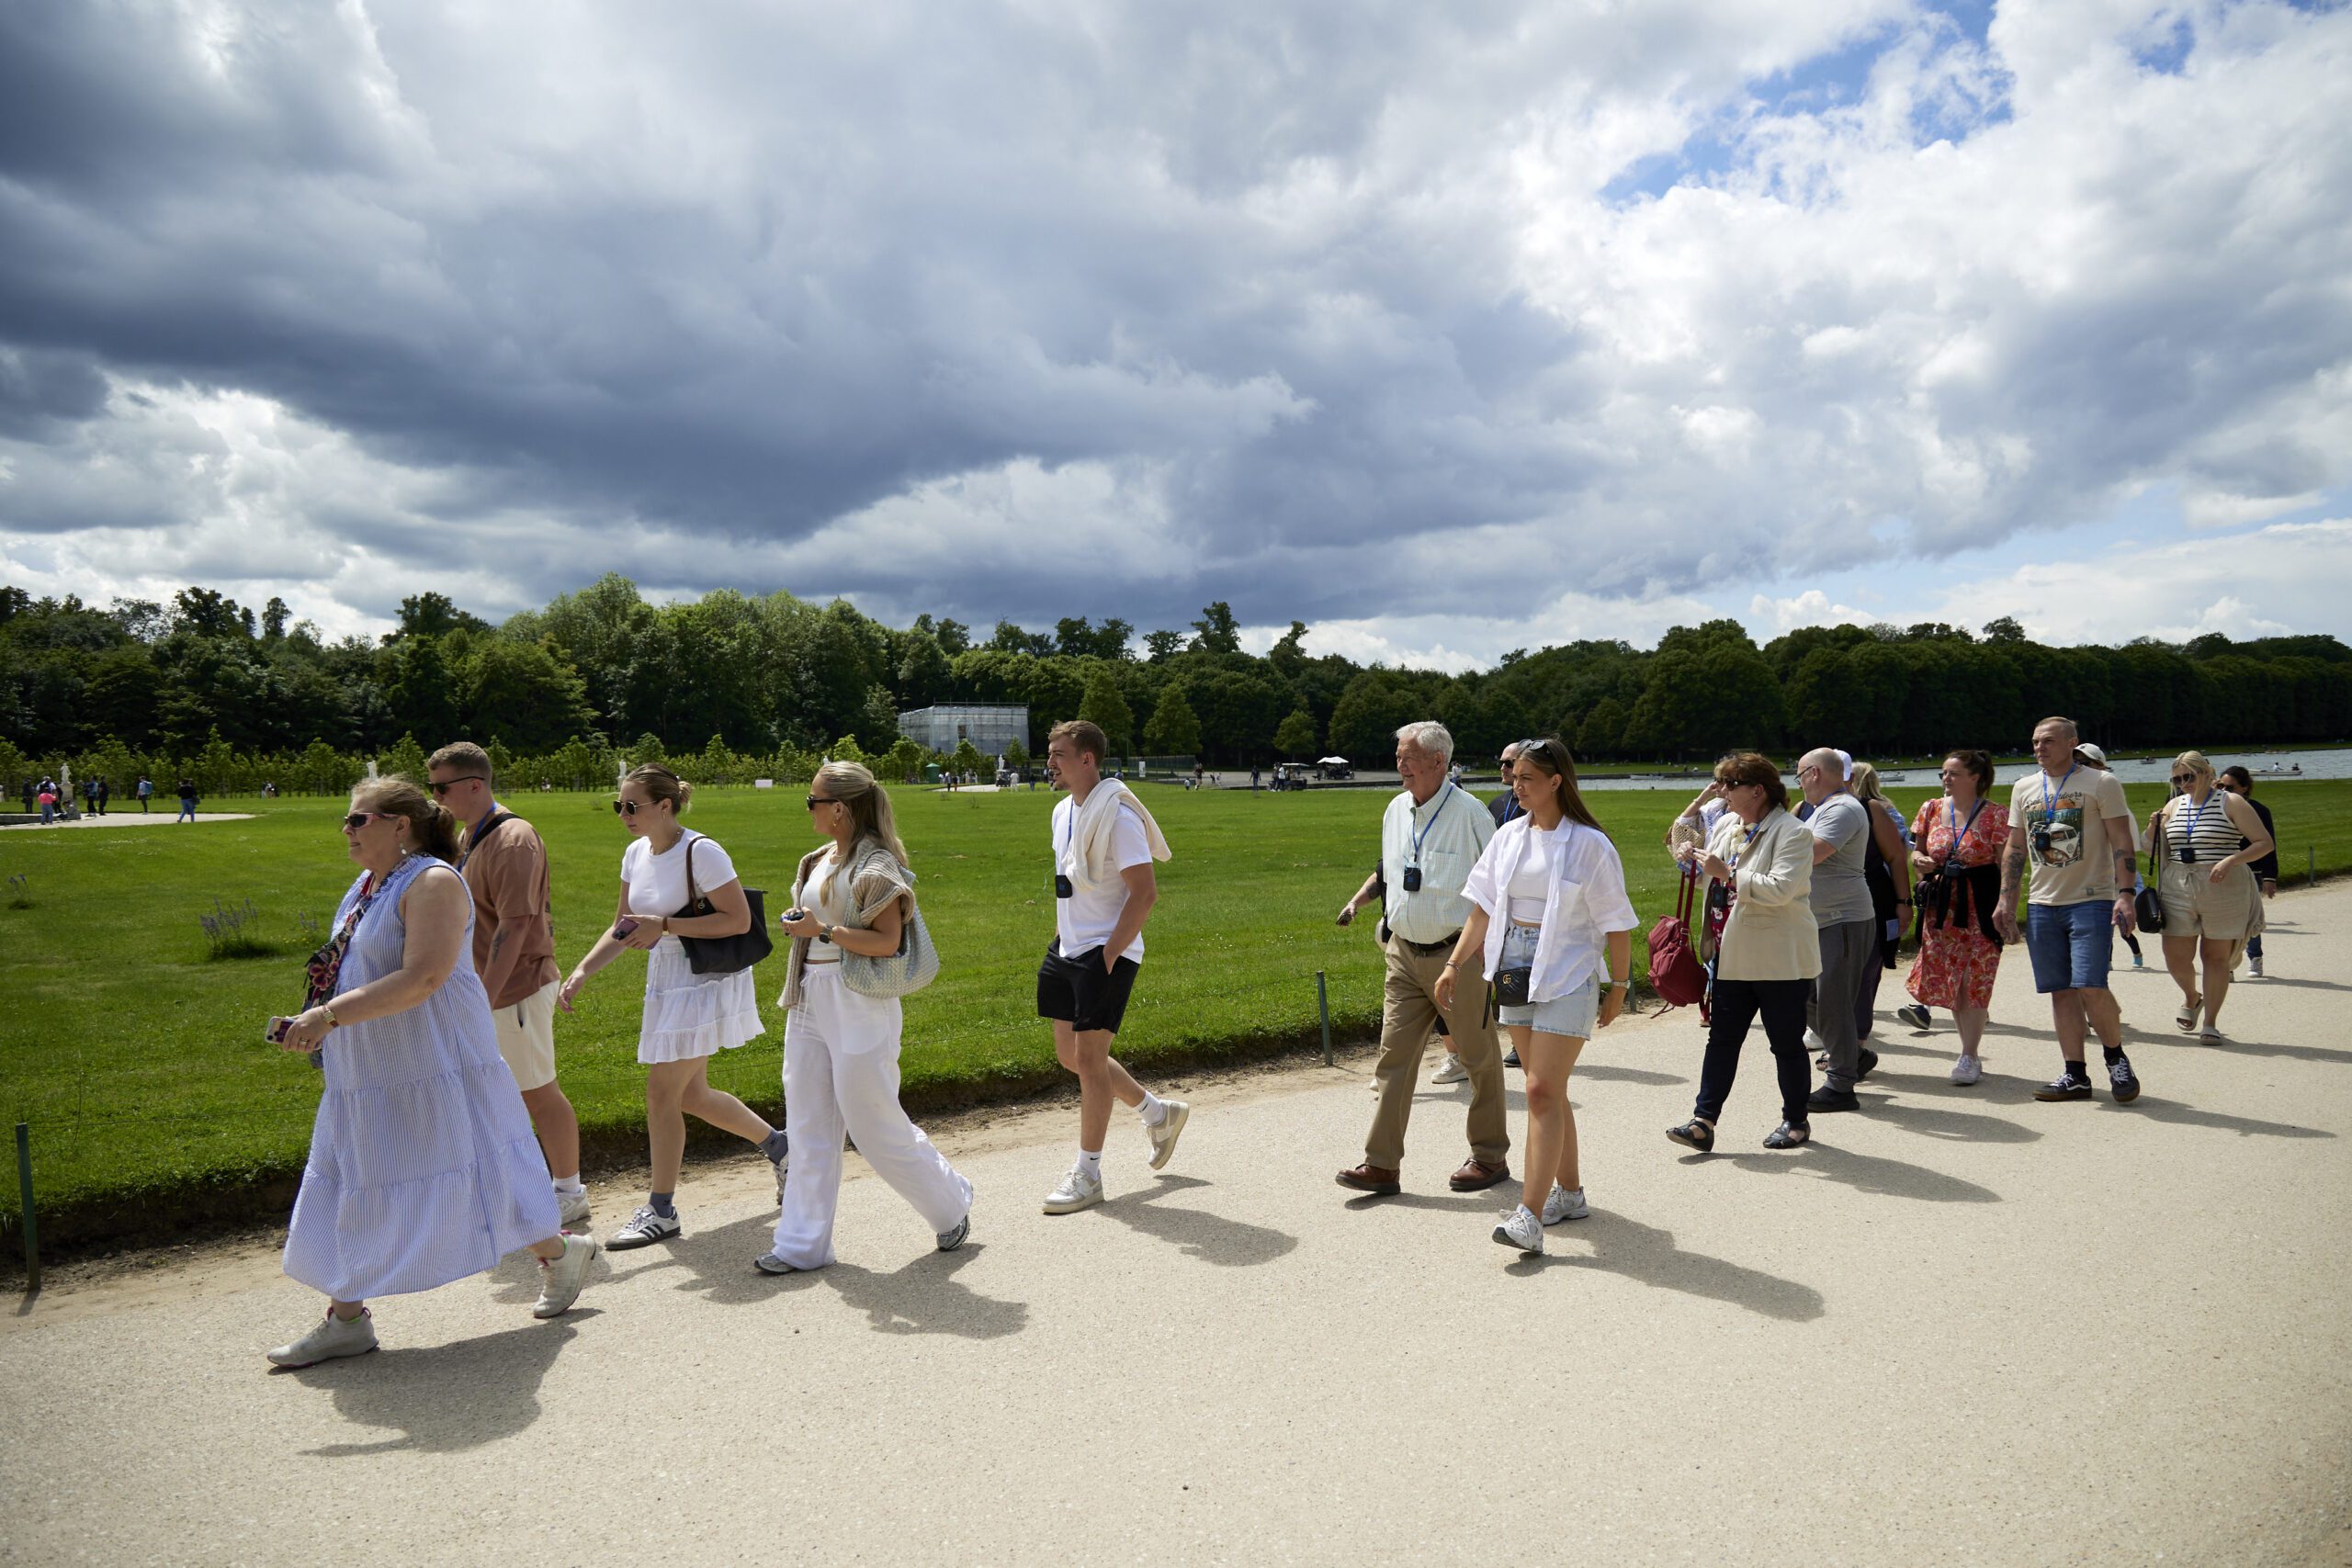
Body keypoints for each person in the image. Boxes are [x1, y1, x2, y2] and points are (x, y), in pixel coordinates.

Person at [264, 777, 595, 1367]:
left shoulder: (434, 881)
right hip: (369, 1069)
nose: (346, 829)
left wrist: (328, 1015)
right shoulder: (368, 885)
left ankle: (559, 1253)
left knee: (476, 1168)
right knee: (357, 1177)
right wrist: (318, 1018)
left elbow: (424, 978)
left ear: (401, 825)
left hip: (436, 1063)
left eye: (358, 819)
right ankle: (347, 1320)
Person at [760, 762, 973, 1272]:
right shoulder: (817, 860)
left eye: (812, 801)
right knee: (807, 1122)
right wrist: (802, 925)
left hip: (858, 1000)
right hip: (810, 998)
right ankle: (801, 1245)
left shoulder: (877, 867)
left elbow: (887, 942)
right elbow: (816, 925)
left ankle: (950, 1204)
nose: (808, 810)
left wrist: (822, 930)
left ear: (839, 808)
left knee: (872, 1123)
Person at [560, 764, 783, 1249]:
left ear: (665, 806)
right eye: (618, 806)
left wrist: (664, 926)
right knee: (691, 1095)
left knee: (662, 1094)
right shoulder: (636, 853)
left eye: (632, 806)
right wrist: (582, 971)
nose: (624, 814)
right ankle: (782, 1149)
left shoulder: (702, 851)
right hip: (667, 980)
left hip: (703, 980)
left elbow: (738, 920)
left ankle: (661, 1209)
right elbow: (623, 924)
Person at [1439, 739, 1634, 1255]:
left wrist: (1618, 986)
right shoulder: (1508, 837)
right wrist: (1455, 964)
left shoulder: (1590, 844)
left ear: (1556, 781)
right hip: (1514, 969)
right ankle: (1569, 1193)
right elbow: (1482, 909)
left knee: (1541, 1090)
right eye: (1514, 776)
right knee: (1548, 1090)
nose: (1516, 784)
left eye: (1527, 777)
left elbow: (1616, 924)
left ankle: (1528, 1216)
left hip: (1567, 973)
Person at [1334, 722, 1510, 1198]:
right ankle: (1381, 1165)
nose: (1400, 764)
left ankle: (1490, 1156)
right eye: (1398, 756)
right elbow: (1392, 875)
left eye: (1408, 756)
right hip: (1403, 955)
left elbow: (1498, 891)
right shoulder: (1394, 810)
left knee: (1478, 1058)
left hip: (1458, 956)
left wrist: (1478, 953)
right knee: (1393, 1059)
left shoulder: (1471, 815)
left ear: (1438, 761)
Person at [427, 742, 586, 1228]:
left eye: (441, 788)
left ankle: (568, 1192)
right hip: (489, 990)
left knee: (538, 1092)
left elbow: (514, 927)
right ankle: (508, 1187)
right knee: (496, 1095)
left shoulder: (512, 840)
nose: (435, 798)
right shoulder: (470, 834)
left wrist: (484, 998)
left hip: (514, 988)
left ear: (475, 785)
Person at [1035, 720, 1189, 1214]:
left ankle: (1088, 1173)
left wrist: (1107, 955)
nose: (1050, 762)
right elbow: (1070, 882)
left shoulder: (1119, 816)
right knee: (1072, 1056)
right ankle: (1158, 1113)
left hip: (1106, 951)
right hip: (1068, 947)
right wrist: (1062, 938)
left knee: (1090, 1059)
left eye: (1059, 754)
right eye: (1050, 753)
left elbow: (1145, 893)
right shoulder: (1062, 811)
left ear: (1087, 759)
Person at [1665, 752, 1820, 1152]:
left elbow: (1781, 889)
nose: (1722, 791)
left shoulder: (1794, 832)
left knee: (1785, 1043)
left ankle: (1796, 1121)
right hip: (1729, 954)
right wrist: (1690, 859)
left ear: (1757, 790)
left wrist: (1729, 873)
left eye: (1729, 784)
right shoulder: (1728, 824)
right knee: (1722, 1040)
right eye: (1720, 783)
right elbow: (1703, 872)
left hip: (1778, 960)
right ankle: (1703, 1122)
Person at [1996, 718, 2143, 1104]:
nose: (2039, 748)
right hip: (2043, 904)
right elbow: (2015, 847)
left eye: (2047, 741)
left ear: (2071, 743)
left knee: (2091, 986)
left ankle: (2116, 1058)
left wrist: (2126, 894)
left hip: (2091, 900)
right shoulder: (2024, 787)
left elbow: (2122, 841)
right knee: (2060, 992)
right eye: (2035, 742)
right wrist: (2006, 899)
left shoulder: (2101, 783)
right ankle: (2075, 1074)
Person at [2143, 751, 2272, 1043]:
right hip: (2178, 884)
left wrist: (2232, 860)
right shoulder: (2173, 805)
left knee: (2215, 957)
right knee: (2175, 956)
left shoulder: (2231, 802)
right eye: (2177, 779)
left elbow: (2264, 843)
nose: (2183, 783)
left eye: (2188, 776)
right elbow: (2149, 848)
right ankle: (2192, 996)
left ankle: (2210, 1022)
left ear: (2206, 773)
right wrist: (2153, 827)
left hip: (2223, 885)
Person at [1900, 750, 2009, 1084]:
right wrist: (1919, 861)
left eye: (1953, 773)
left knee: (1973, 981)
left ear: (1975, 777)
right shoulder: (1931, 808)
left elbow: (2007, 865)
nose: (1946, 778)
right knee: (1953, 982)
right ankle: (1967, 1052)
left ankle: (1969, 1055)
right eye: (1944, 773)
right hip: (1942, 909)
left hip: (1980, 907)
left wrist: (2006, 905)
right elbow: (1917, 851)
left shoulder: (1996, 815)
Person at [1795, 749, 1879, 1113]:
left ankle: (1842, 1085)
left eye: (1799, 775)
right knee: (1807, 999)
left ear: (1814, 774)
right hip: (1822, 920)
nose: (1799, 784)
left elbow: (1812, 853)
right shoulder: (1823, 808)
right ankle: (1852, 1057)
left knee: (1832, 1001)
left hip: (1842, 919)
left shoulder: (1842, 808)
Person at [1846, 762, 1914, 1043]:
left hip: (1875, 895)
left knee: (1865, 968)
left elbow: (1898, 855)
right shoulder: (1806, 809)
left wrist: (1902, 900)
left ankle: (1855, 1037)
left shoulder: (1877, 809)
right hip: (1856, 896)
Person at [2218, 766, 2278, 977]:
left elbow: (2269, 845)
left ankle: (2255, 957)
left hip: (2251, 871)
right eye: (2220, 786)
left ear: (2244, 788)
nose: (2224, 791)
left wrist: (2270, 877)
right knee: (2223, 919)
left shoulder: (2259, 810)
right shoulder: (2215, 808)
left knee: (2247, 918)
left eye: (2230, 787)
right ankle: (2227, 965)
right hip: (2220, 870)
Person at [1488, 741, 1525, 829]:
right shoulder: (1495, 804)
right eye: (1501, 763)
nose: (1502, 769)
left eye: (1509, 764)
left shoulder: (1542, 807)